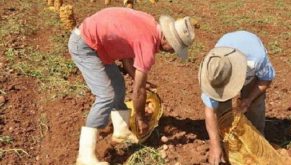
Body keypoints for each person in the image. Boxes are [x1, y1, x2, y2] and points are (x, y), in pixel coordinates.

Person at [68, 7, 195, 165]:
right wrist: (141, 118)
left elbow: (127, 56)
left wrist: (139, 78)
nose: (172, 52)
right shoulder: (147, 43)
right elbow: (139, 90)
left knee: (118, 86)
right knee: (106, 95)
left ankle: (121, 131)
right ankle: (85, 156)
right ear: (166, 38)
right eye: (174, 47)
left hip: (98, 45)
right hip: (85, 46)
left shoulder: (149, 23)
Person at [198, 31, 275, 165]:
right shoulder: (214, 68)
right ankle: (227, 145)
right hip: (227, 58)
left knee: (255, 106)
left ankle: (258, 144)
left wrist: (249, 99)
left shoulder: (256, 59)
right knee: (221, 109)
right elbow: (210, 110)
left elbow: (266, 80)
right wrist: (215, 146)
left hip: (251, 65)